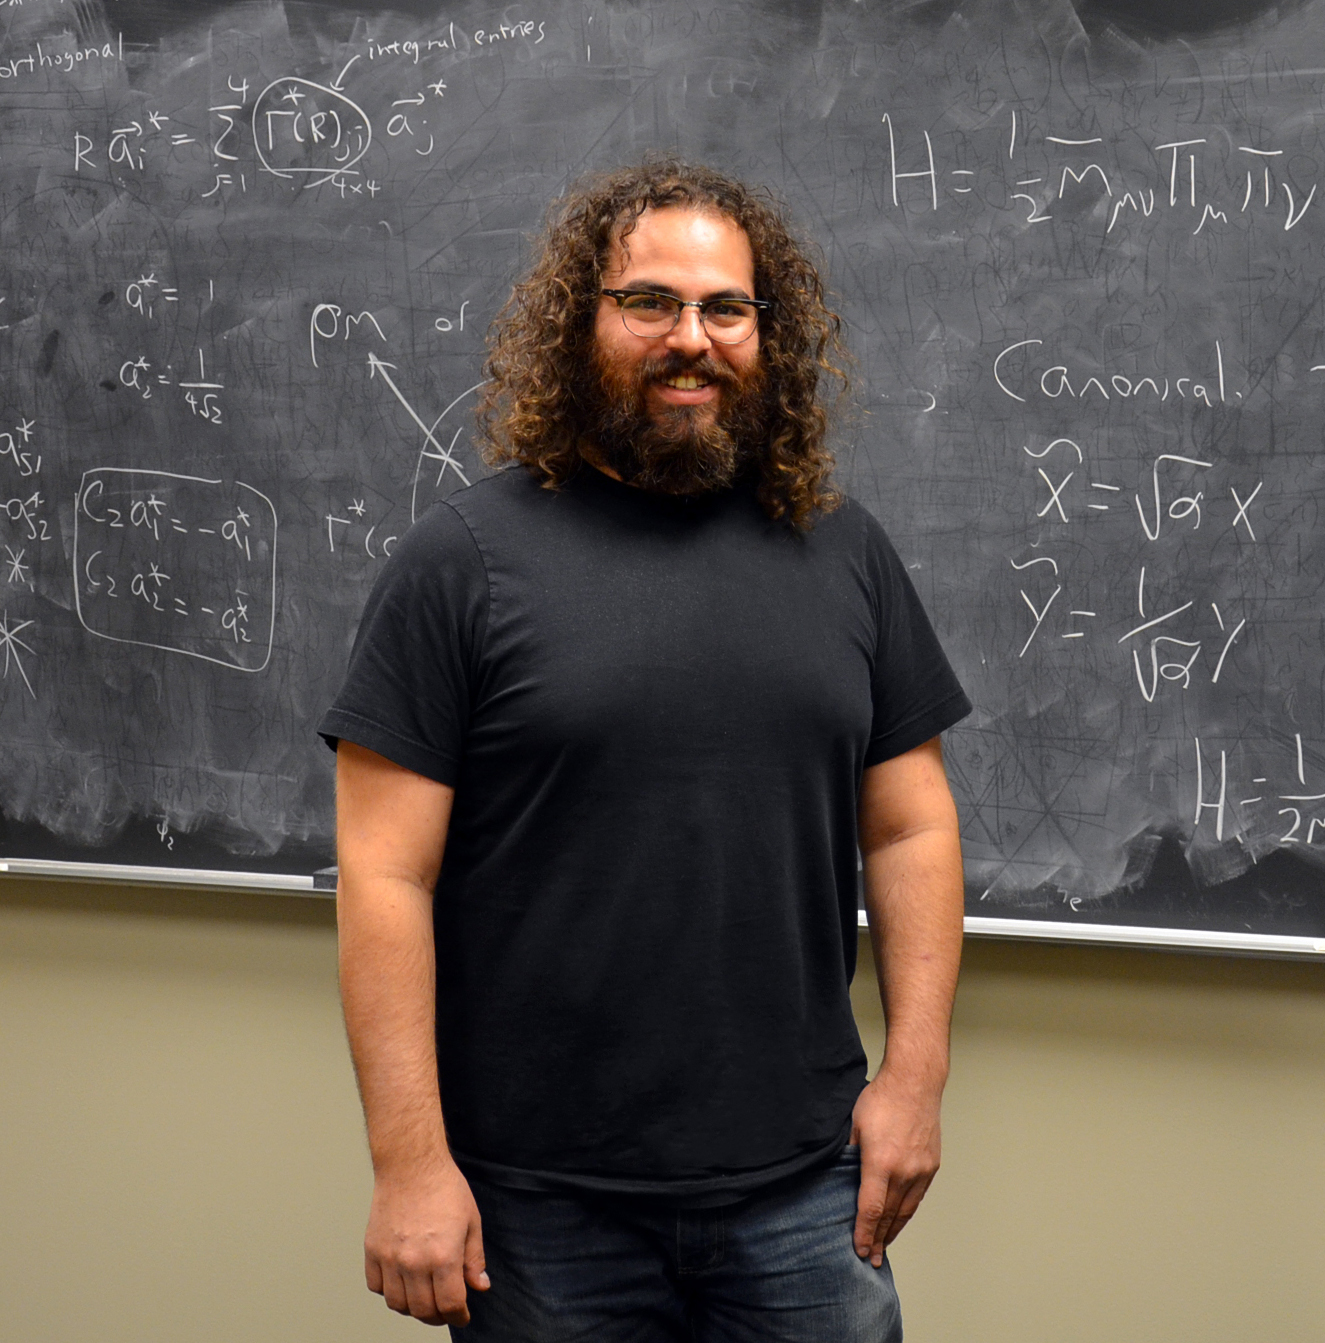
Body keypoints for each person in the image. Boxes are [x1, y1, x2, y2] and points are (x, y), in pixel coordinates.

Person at [319, 156, 971, 1341]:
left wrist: (914, 1079)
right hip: (536, 1211)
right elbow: (383, 873)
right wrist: (409, 1162)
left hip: (804, 1192)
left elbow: (912, 821)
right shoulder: (458, 563)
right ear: (582, 325)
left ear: (766, 335)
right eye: (651, 304)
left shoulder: (843, 551)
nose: (693, 338)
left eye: (727, 309)